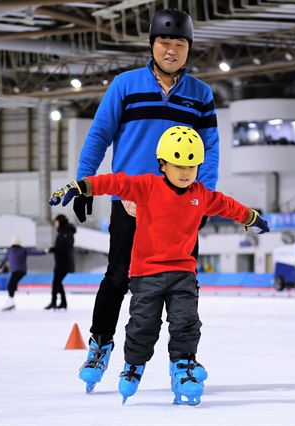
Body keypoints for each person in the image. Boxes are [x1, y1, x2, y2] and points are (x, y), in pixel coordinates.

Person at [50, 126, 269, 405]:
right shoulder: (146, 186)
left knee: (186, 322)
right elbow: (116, 182)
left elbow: (226, 205)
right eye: (179, 165)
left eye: (192, 165)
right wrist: (81, 186)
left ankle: (183, 366)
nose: (186, 171)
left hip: (183, 274)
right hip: (146, 274)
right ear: (162, 164)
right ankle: (133, 365)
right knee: (143, 325)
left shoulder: (200, 194)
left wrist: (251, 217)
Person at [73, 8, 220, 391]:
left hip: (180, 205)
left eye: (179, 44)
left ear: (189, 49)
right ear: (152, 45)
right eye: (164, 43)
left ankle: (184, 358)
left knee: (183, 281)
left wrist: (203, 197)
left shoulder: (200, 95)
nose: (172, 50)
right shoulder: (125, 85)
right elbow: (100, 134)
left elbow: (212, 149)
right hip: (132, 202)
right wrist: (85, 182)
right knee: (118, 276)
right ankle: (101, 344)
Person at [0, 236, 45, 311]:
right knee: (12, 285)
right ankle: (11, 301)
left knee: (10, 286)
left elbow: (4, 260)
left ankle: (10, 302)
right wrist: (44, 252)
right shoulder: (22, 250)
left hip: (16, 271)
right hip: (22, 271)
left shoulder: (10, 251)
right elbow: (33, 252)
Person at [44, 214, 76, 310]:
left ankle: (54, 302)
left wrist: (52, 249)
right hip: (61, 263)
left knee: (56, 283)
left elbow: (64, 248)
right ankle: (63, 302)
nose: (55, 224)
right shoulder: (63, 232)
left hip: (64, 263)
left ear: (60, 221)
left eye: (56, 222)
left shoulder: (66, 233)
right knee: (58, 283)